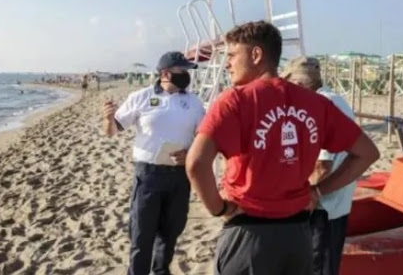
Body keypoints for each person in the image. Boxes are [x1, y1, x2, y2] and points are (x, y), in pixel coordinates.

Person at [185, 20, 380, 275]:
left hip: (249, 233)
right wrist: (319, 192)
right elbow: (367, 153)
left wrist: (219, 208)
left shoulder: (235, 100)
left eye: (232, 55)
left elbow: (196, 163)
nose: (228, 64)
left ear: (256, 55)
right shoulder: (315, 103)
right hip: (298, 237)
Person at [102, 51, 206, 275]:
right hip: (148, 175)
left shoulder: (194, 102)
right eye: (182, 71)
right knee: (142, 235)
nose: (186, 75)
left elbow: (203, 138)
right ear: (165, 73)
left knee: (170, 233)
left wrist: (189, 153)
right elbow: (112, 132)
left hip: (180, 176)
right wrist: (108, 119)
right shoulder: (140, 97)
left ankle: (161, 272)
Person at [282, 56, 357, 275]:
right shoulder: (334, 99)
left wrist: (304, 199)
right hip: (333, 203)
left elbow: (323, 165)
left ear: (299, 84)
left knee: (318, 266)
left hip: (323, 207)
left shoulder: (321, 104)